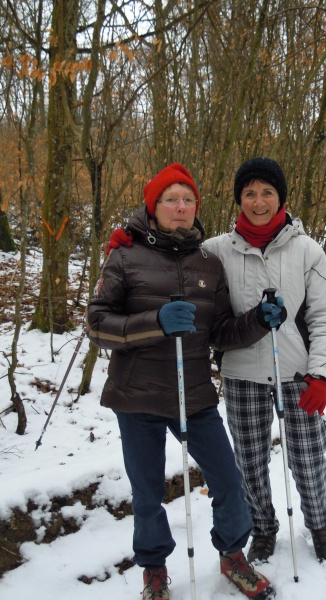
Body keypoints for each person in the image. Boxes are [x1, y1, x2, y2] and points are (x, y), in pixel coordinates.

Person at [86, 163, 283, 600]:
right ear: (153, 207)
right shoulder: (124, 256)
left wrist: (259, 322)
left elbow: (221, 332)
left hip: (192, 393)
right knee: (148, 491)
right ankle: (154, 569)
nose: (180, 207)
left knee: (229, 481)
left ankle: (233, 554)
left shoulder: (209, 264)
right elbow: (97, 325)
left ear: (197, 207)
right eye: (170, 200)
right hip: (136, 397)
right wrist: (155, 322)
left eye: (188, 200)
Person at [202, 157, 326, 564]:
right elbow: (171, 256)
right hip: (243, 375)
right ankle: (262, 528)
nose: (258, 201)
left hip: (297, 375)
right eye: (249, 193)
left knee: (308, 456)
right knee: (248, 461)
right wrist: (130, 244)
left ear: (280, 198)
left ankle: (318, 521)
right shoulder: (215, 251)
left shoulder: (307, 251)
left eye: (266, 192)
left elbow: (324, 315)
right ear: (238, 199)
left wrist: (321, 374)